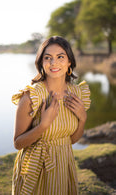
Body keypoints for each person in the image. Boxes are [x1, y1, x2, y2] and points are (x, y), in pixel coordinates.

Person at [11, 36, 91, 195]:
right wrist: (43, 125)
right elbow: (18, 143)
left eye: (60, 57)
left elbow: (71, 140)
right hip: (34, 169)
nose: (54, 63)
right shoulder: (30, 98)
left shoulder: (77, 94)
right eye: (48, 58)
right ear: (41, 63)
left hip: (63, 165)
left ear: (69, 62)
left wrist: (82, 119)